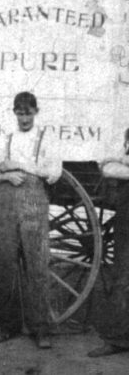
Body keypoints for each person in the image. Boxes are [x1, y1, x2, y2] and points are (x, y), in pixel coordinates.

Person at [0, 92, 62, 349]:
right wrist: (5, 176)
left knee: (36, 264)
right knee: (5, 263)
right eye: (20, 112)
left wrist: (18, 166)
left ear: (36, 112)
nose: (24, 118)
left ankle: (40, 328)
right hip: (5, 203)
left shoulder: (45, 138)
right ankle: (8, 325)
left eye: (28, 112)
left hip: (33, 203)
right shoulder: (5, 139)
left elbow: (53, 173)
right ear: (14, 113)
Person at [88, 128, 129, 357]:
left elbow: (116, 167)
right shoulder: (124, 135)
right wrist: (122, 160)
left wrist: (123, 163)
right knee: (123, 275)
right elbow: (107, 167)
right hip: (128, 214)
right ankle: (118, 338)